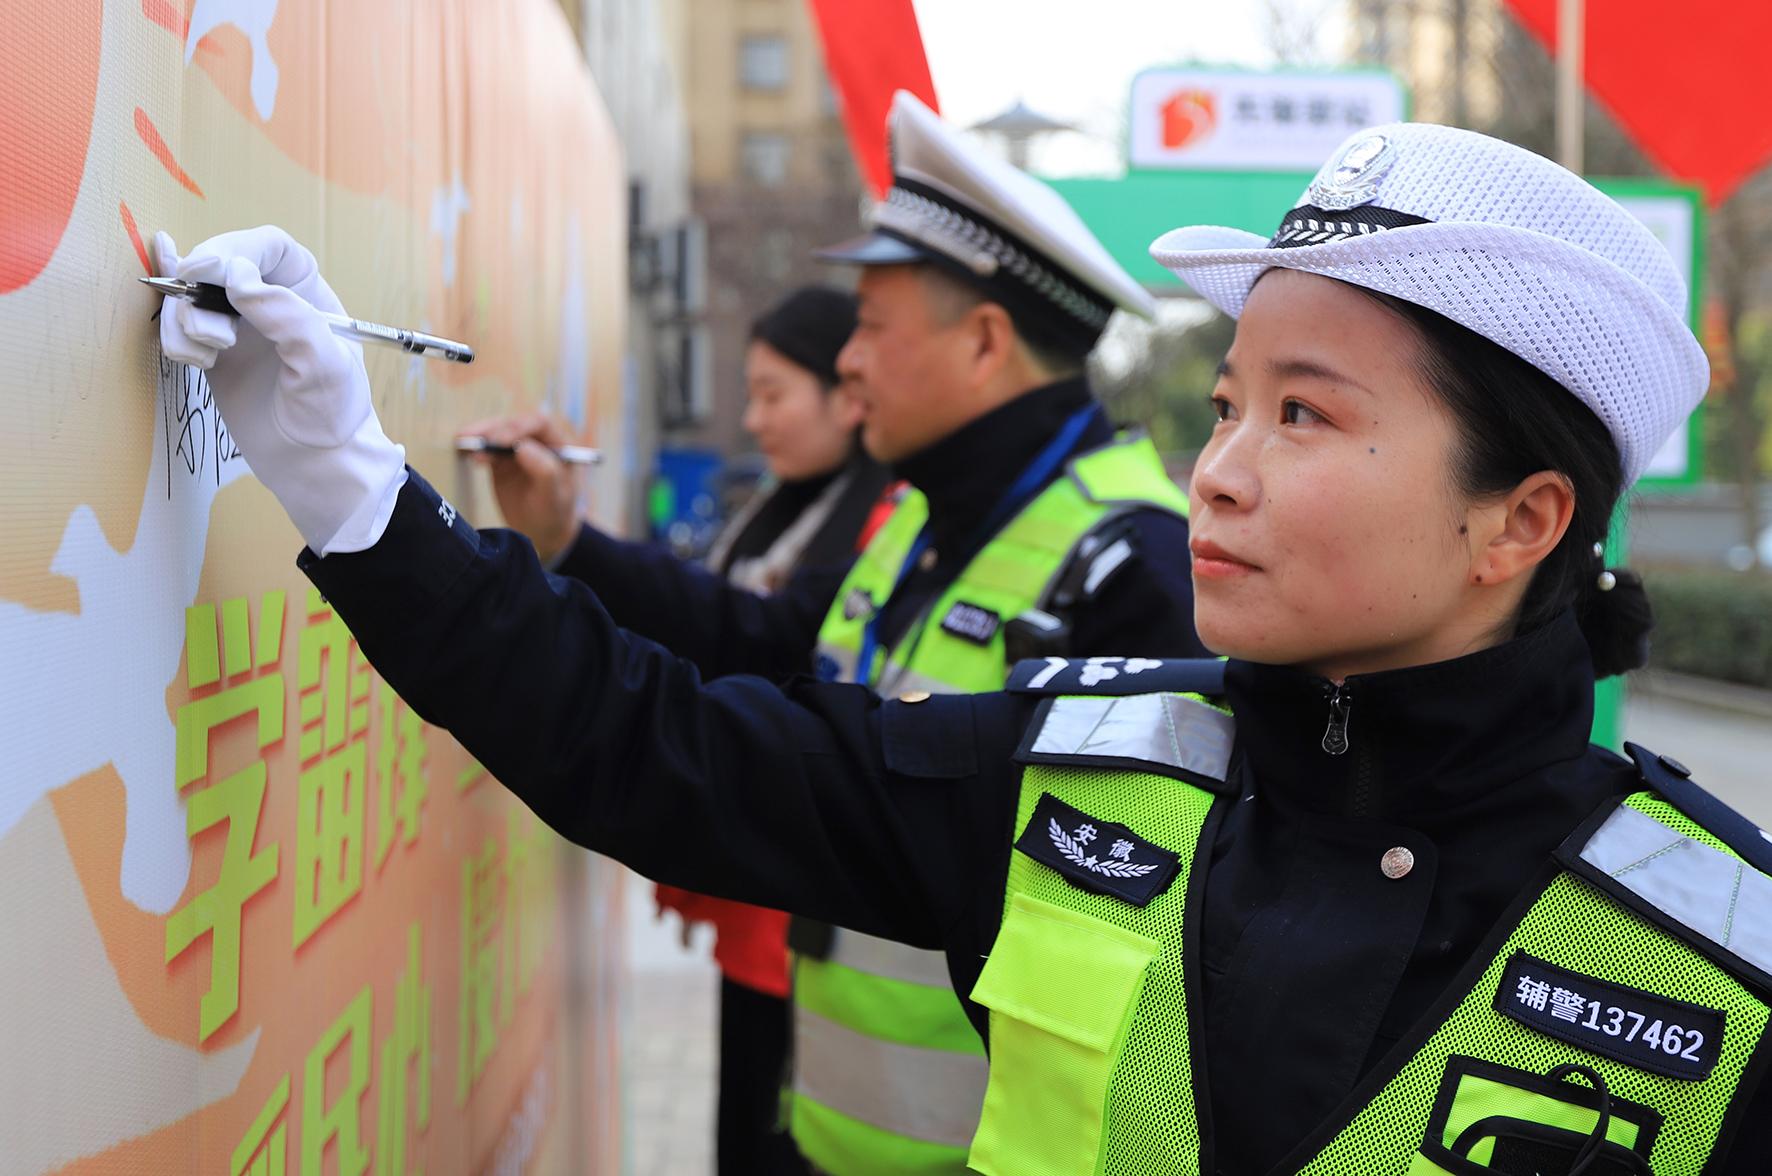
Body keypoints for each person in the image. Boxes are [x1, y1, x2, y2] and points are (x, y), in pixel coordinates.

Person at [153, 120, 1772, 1175]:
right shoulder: (1084, 775)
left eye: (1303, 415)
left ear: (1519, 519)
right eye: (1226, 405)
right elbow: (661, 746)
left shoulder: (1719, 970)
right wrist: (348, 482)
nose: (1217, 471)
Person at [422, 92, 1209, 1174]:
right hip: (827, 1133)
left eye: (872, 328)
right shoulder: (923, 524)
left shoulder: (1130, 570)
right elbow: (765, 660)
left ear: (984, 343)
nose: (847, 363)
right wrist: (567, 543)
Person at [477, 284, 886, 1175]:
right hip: (770, 903)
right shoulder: (787, 507)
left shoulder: (887, 519)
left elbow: (754, 634)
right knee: (745, 1120)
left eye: (774, 393)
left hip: (822, 921)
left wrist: (573, 542)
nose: (754, 418)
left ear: (845, 399)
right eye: (750, 393)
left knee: (776, 1129)